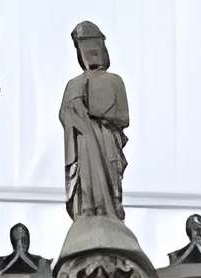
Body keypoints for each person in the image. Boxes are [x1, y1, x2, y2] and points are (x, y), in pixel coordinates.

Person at [59, 21, 130, 221]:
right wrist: (76, 108)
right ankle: (87, 212)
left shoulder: (114, 80)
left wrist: (98, 113)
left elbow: (123, 117)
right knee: (87, 187)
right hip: (84, 141)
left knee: (110, 185)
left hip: (107, 139)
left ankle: (110, 214)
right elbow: (65, 115)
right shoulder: (75, 84)